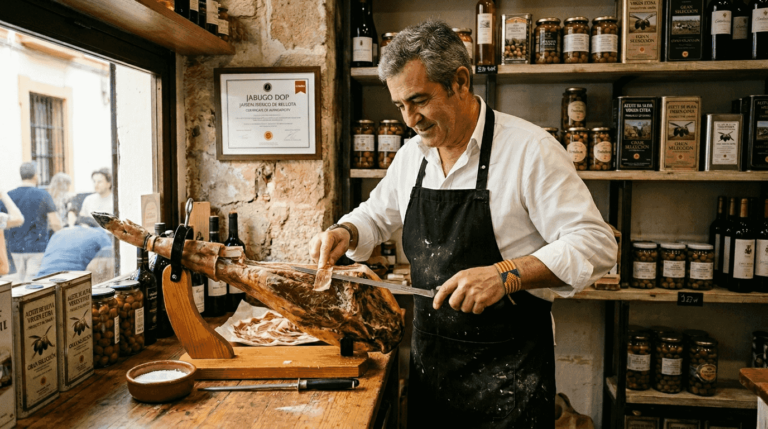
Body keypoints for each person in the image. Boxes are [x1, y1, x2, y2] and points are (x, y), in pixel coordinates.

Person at [308, 20, 617, 428]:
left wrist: (505, 275)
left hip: (511, 382)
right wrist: (344, 232)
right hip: (433, 375)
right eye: (400, 106)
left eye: (419, 101)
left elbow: (595, 244)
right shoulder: (412, 156)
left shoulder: (530, 150)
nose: (410, 119)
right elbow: (376, 215)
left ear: (459, 81)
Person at [0, 162, 62, 281]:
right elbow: (55, 223)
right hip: (37, 247)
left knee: (20, 280)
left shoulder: (9, 195)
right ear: (35, 175)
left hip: (15, 247)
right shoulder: (43, 195)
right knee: (33, 282)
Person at [36, 213, 112, 278]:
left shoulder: (57, 234)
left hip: (41, 279)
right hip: (70, 280)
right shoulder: (98, 233)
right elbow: (110, 256)